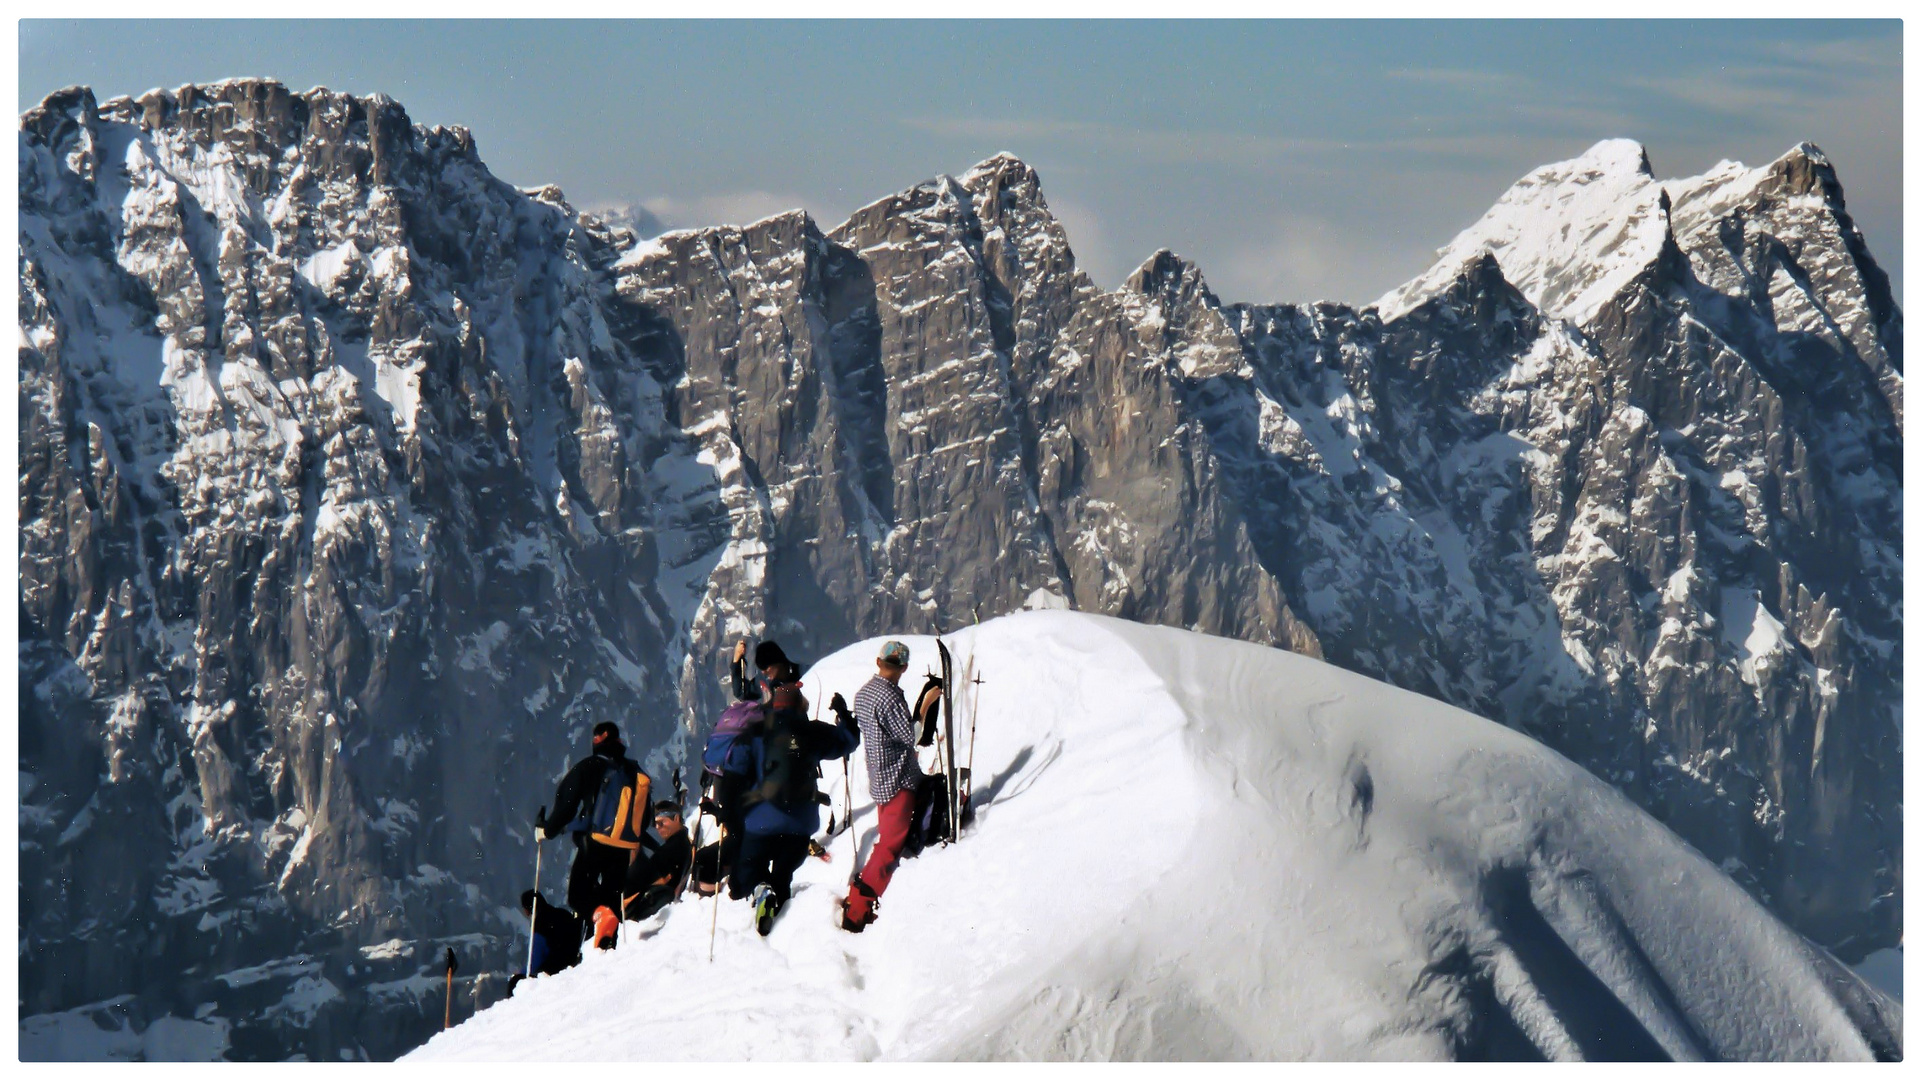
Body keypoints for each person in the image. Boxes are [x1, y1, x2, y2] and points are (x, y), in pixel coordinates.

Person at [723, 687, 859, 935]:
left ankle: (762, 891)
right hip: (801, 824)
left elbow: (732, 772)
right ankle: (778, 918)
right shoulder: (812, 732)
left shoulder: (755, 734)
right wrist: (843, 713)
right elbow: (848, 742)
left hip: (760, 822)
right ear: (801, 707)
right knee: (784, 872)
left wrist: (733, 812)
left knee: (751, 869)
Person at [841, 640, 941, 933]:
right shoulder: (890, 698)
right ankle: (857, 910)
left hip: (879, 777)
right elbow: (910, 735)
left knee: (888, 833)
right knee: (889, 845)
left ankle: (858, 900)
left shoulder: (864, 693)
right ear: (904, 668)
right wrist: (926, 704)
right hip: (899, 778)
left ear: (878, 662)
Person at [541, 721, 650, 937]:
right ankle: (607, 945)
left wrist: (548, 830)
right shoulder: (633, 770)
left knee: (578, 895)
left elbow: (566, 802)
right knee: (611, 897)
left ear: (597, 740)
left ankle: (597, 918)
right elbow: (645, 814)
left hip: (595, 843)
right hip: (623, 846)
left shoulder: (590, 766)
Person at [623, 801, 693, 921]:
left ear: (676, 818)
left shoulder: (673, 849)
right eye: (655, 824)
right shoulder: (681, 843)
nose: (657, 828)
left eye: (661, 823)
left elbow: (651, 877)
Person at [508, 890, 580, 995]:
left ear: (528, 908)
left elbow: (536, 959)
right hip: (573, 959)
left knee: (515, 982)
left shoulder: (540, 923)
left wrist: (521, 974)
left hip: (555, 966)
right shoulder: (563, 913)